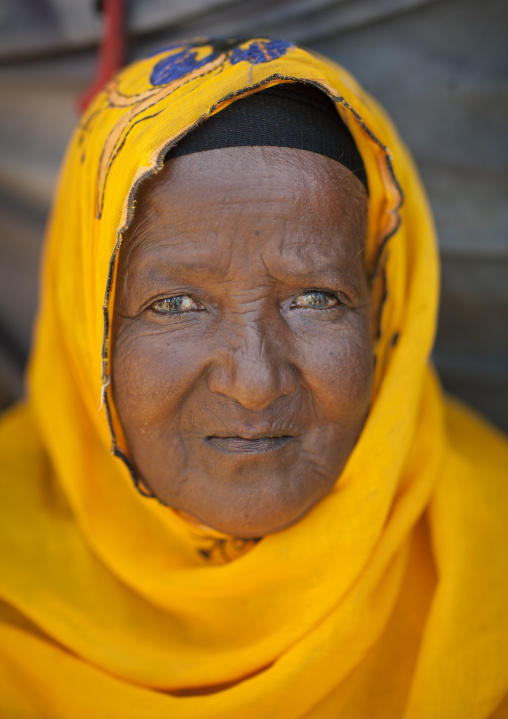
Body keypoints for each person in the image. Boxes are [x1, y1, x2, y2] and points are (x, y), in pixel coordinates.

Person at [0, 37, 507, 718]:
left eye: (316, 298)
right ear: (87, 323)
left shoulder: (488, 557)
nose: (255, 383)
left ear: (386, 306)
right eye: (174, 304)